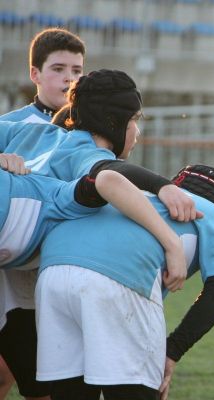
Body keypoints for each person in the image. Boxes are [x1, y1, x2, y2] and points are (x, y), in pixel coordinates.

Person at [0, 69, 197, 400]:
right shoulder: (70, 184)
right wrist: (171, 238)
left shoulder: (37, 135)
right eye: (135, 120)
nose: (138, 130)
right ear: (115, 122)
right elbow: (108, 178)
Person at [36, 164, 214, 400]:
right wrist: (172, 351)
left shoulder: (138, 195)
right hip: (116, 278)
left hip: (51, 272)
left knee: (71, 393)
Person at [0, 27, 86, 399]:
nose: (69, 79)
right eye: (58, 69)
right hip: (15, 286)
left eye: (77, 71)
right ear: (34, 74)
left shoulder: (88, 131)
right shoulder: (12, 126)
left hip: (59, 280)